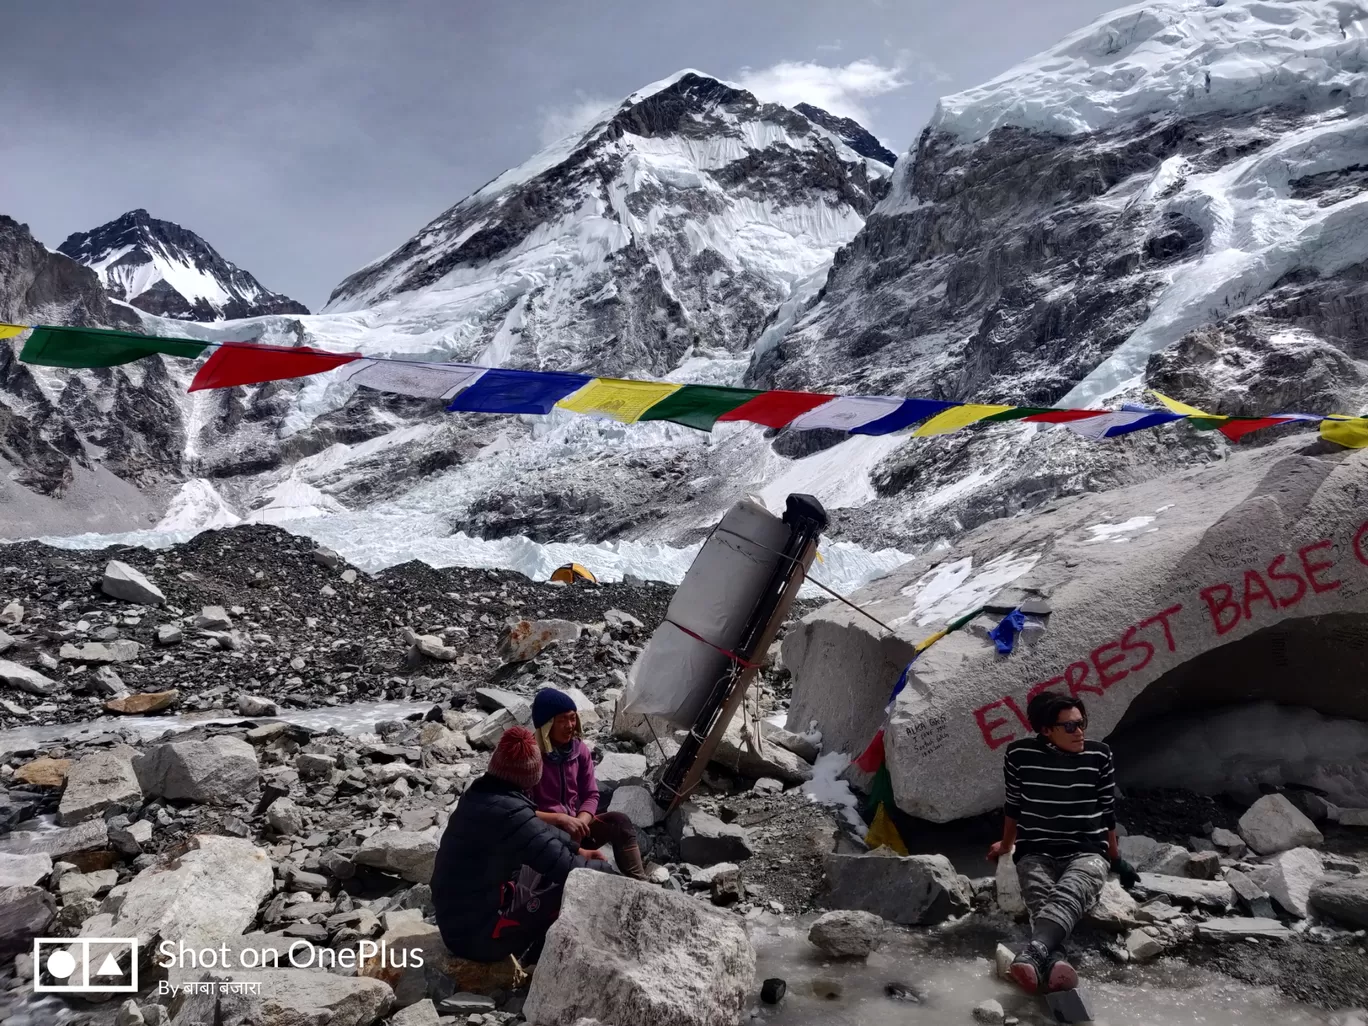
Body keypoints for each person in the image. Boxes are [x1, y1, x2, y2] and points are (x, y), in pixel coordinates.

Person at [432, 725, 617, 963]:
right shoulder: (510, 813)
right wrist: (613, 878)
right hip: (478, 938)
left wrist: (577, 848)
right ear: (532, 775)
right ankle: (543, 960)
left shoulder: (481, 794)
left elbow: (536, 833)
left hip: (459, 921)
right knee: (574, 887)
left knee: (537, 865)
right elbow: (568, 868)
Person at [987, 692, 1118, 995]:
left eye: (1081, 723)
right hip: (1036, 849)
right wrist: (1007, 846)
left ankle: (1034, 954)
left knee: (1072, 889)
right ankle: (1055, 960)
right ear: (1046, 730)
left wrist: (1114, 853)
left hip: (1087, 850)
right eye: (1070, 727)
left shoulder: (1100, 755)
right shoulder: (1019, 755)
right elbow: (1013, 805)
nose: (1080, 731)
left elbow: (1108, 808)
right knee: (1040, 896)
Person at [528, 687, 648, 881]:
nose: (570, 725)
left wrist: (580, 822)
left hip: (576, 827)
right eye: (562, 720)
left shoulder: (579, 750)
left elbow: (591, 795)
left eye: (572, 718)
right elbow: (522, 810)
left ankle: (640, 883)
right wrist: (560, 819)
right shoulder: (531, 756)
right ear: (547, 725)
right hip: (544, 833)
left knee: (619, 822)